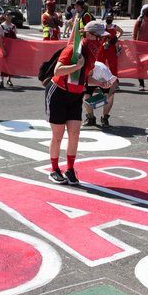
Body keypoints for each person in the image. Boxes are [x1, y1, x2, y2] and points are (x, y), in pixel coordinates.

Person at [44, 20, 109, 186]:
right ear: (89, 34)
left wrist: (100, 83)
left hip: (76, 95)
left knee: (74, 134)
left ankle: (70, 169)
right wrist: (76, 66)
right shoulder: (74, 48)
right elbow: (57, 70)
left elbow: (84, 77)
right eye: (99, 37)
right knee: (58, 135)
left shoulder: (92, 51)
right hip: (58, 92)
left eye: (102, 37)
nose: (101, 41)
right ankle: (54, 170)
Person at [84, 15, 122, 128]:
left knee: (110, 96)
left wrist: (107, 95)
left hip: (104, 81)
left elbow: (114, 83)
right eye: (99, 37)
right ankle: (90, 117)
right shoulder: (85, 70)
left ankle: (105, 118)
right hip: (94, 81)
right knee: (86, 97)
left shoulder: (101, 69)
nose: (100, 40)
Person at [0, 11, 17, 88]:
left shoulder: (13, 26)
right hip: (4, 47)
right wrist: (2, 49)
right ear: (5, 16)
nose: (10, 17)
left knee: (10, 64)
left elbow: (15, 38)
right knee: (3, 64)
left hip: (11, 48)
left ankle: (9, 79)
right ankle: (1, 80)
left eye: (11, 15)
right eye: (8, 15)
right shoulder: (1, 26)